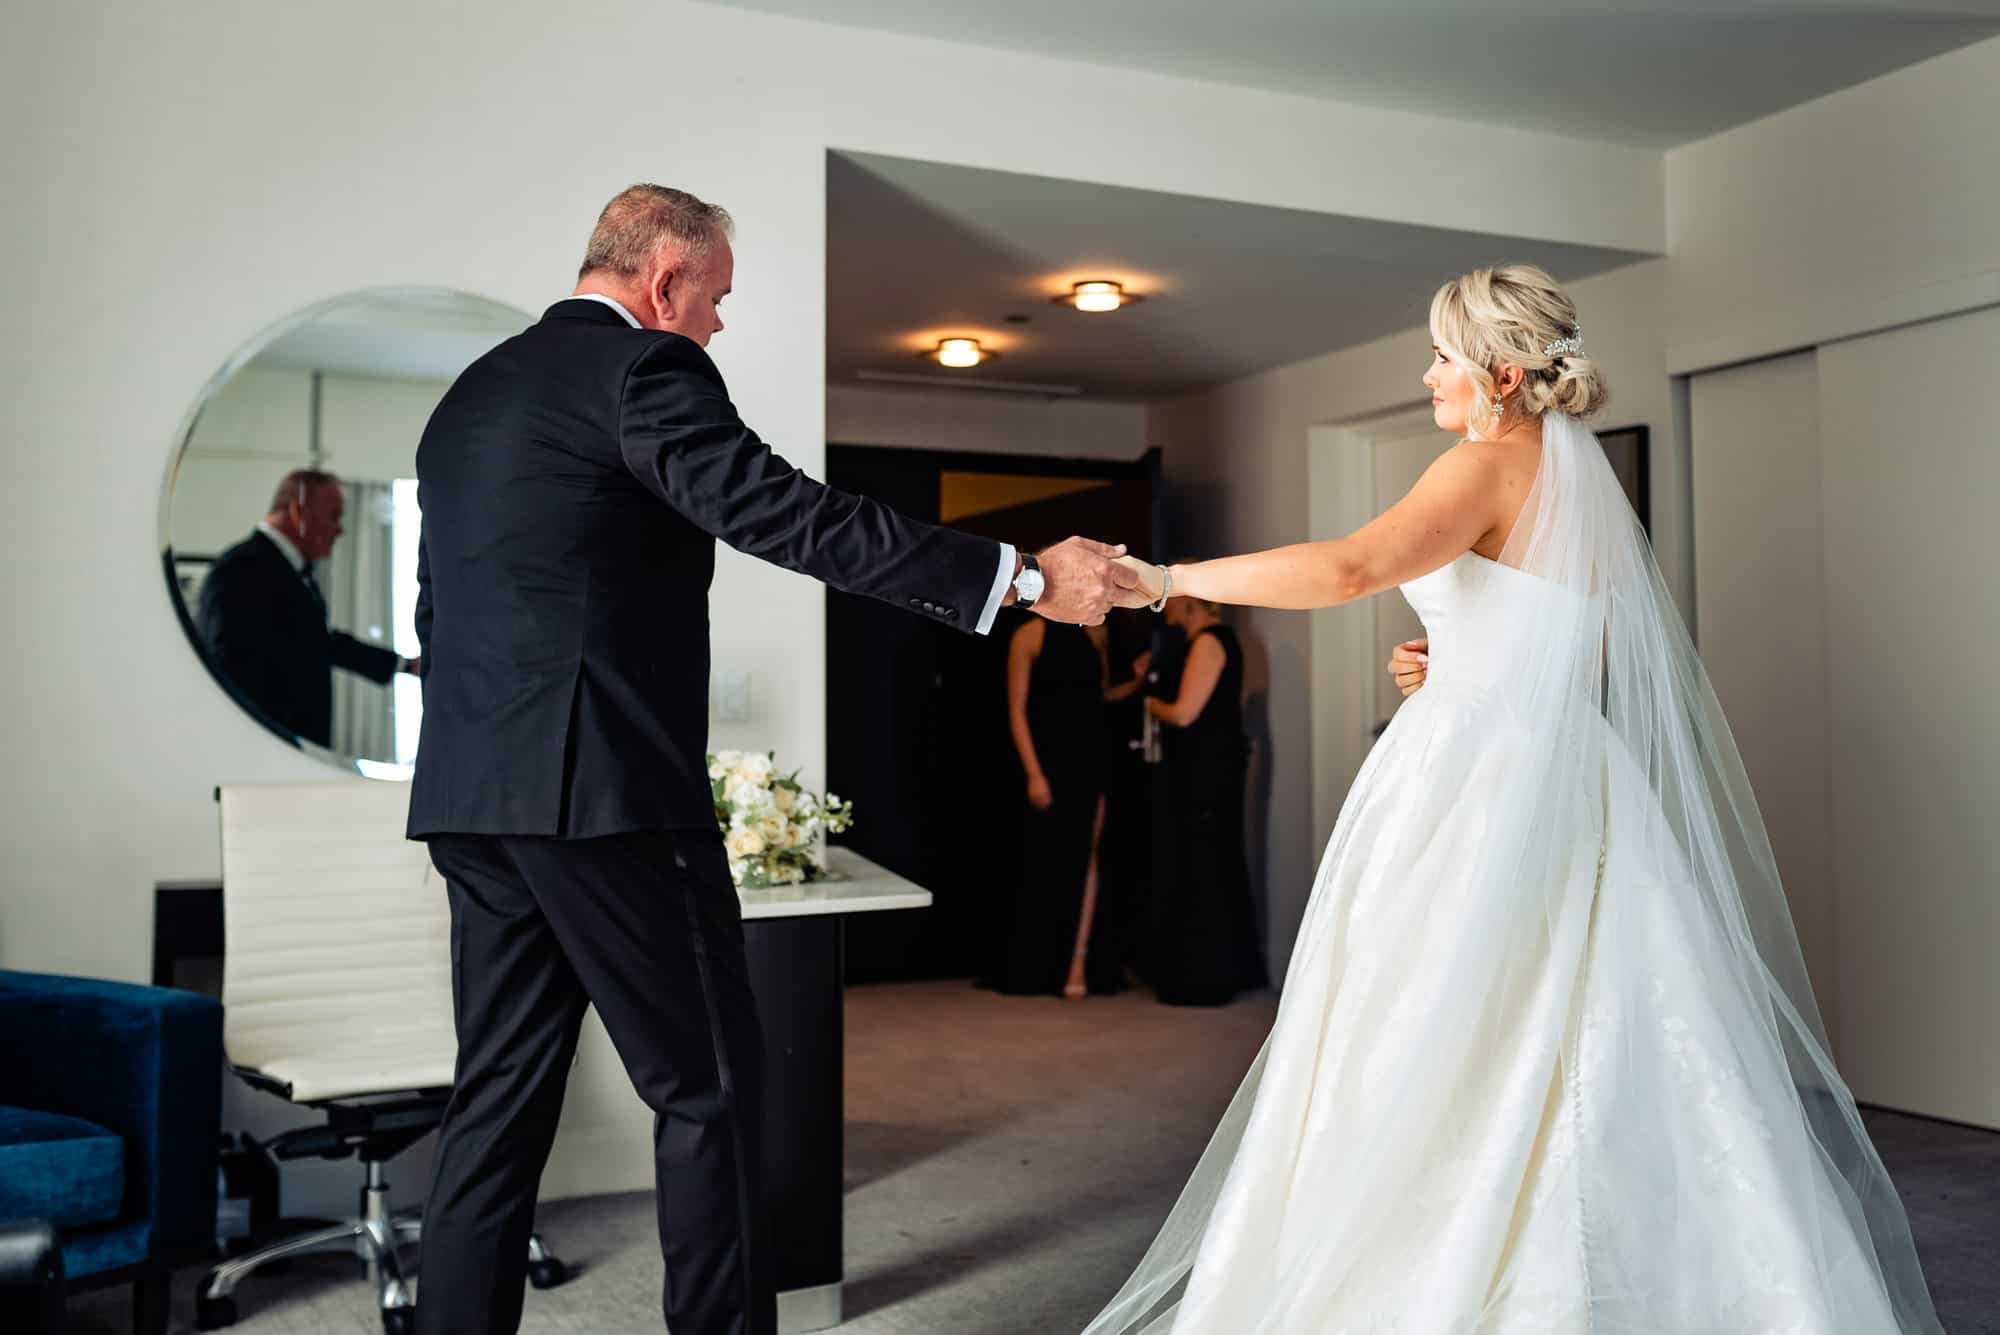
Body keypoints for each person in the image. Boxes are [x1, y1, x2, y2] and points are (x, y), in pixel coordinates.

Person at [1085, 265, 1943, 1331]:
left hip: (1476, 785)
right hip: (1572, 775)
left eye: (1442, 356)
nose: (1426, 374)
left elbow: (1351, 566)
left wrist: (1166, 580)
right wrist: (1452, 660)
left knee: (1435, 1021)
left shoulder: (1481, 464)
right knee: (1592, 1019)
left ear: (1498, 373)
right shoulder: (1570, 476)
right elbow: (1563, 650)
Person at [405, 184, 1139, 1335]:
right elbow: (780, 512)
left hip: (470, 799)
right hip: (607, 799)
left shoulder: (467, 399)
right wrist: (1024, 579)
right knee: (715, 1096)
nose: (717, 326)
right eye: (717, 300)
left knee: (493, 1106)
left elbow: (434, 619)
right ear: (664, 283)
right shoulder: (643, 370)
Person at [195, 468, 417, 748]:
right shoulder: (241, 569)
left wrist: (406, 665)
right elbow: (233, 669)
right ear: (298, 514)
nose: (340, 530)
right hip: (266, 753)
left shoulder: (282, 569)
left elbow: (318, 643)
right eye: (334, 516)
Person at [1137, 587, 1265, 1007]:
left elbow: (1184, 713)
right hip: (1210, 769)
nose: (1163, 605)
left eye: (1169, 597)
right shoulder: (1206, 642)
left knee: (1203, 864)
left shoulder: (1209, 641)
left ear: (1189, 602)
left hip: (1205, 773)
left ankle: (1205, 976)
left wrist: (1151, 703)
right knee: (1211, 862)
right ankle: (1221, 968)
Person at [993, 615, 1112, 999]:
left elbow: (1101, 694)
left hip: (1089, 759)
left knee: (1087, 859)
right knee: (1043, 861)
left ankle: (1077, 964)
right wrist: (1033, 772)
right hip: (1047, 761)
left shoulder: (1095, 633)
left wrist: (1139, 684)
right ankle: (1038, 964)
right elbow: (1016, 710)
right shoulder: (1029, 634)